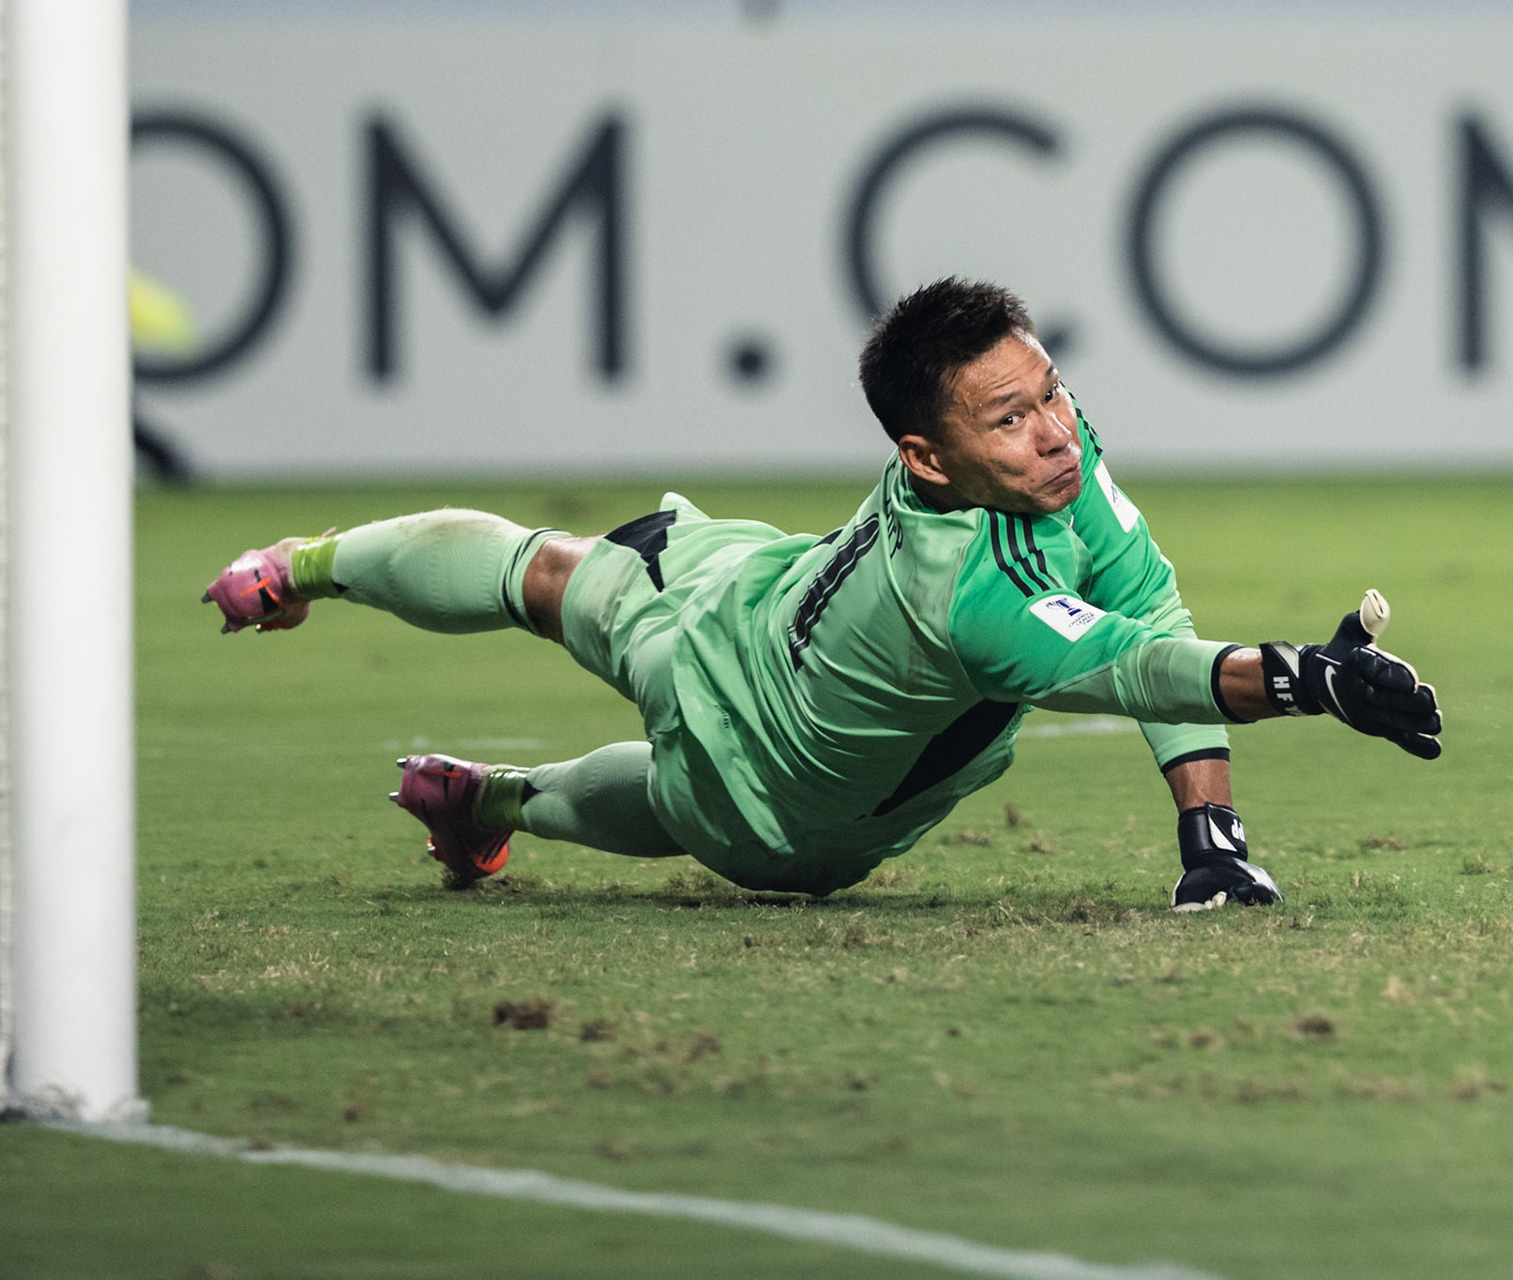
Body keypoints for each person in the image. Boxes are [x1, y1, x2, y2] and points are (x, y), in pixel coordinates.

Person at [204, 278, 1442, 909]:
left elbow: (1146, 613)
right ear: (925, 457)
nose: (1057, 432)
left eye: (1053, 390)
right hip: (778, 802)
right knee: (673, 759)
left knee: (545, 570)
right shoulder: (970, 600)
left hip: (748, 687)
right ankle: (498, 801)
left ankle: (300, 568)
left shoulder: (1029, 468)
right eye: (1011, 418)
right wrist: (1305, 675)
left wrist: (1209, 833)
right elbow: (1141, 664)